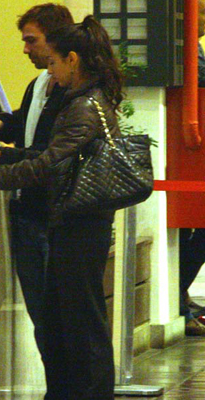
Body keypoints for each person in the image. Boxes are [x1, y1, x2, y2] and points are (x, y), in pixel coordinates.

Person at [0, 15, 123, 400]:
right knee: (63, 321)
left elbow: (48, 165)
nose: (50, 72)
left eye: (53, 63)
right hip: (75, 222)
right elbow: (51, 158)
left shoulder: (83, 106)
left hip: (81, 226)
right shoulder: (83, 100)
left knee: (81, 324)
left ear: (72, 60)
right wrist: (4, 158)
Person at [0, 3, 73, 362]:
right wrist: (1, 125)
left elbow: (49, 153)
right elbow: (28, 124)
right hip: (29, 212)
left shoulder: (71, 93)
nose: (25, 49)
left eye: (31, 40)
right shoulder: (38, 85)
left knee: (58, 317)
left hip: (53, 215)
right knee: (42, 316)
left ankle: (66, 384)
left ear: (55, 41)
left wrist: (2, 158)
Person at [180, 0, 205, 336]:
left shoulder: (194, 50)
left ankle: (179, 295)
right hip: (187, 155)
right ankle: (177, 296)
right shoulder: (186, 54)